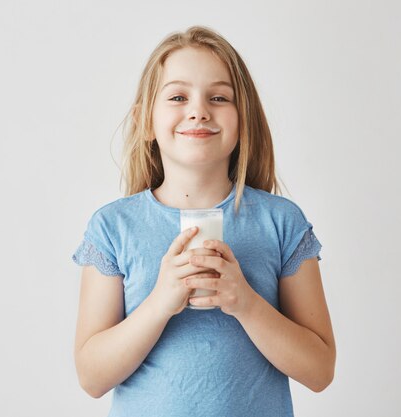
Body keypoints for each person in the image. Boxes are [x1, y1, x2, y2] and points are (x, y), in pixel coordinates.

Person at [72, 25, 336, 417]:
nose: (198, 110)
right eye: (178, 96)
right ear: (146, 120)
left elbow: (320, 370)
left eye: (219, 97)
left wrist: (245, 303)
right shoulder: (114, 228)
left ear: (243, 120)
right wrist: (160, 302)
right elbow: (92, 377)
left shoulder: (282, 222)